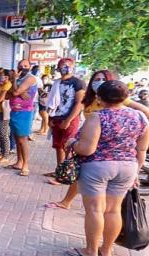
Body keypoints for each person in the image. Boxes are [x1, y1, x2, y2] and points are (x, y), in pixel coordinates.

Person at [65, 80, 149, 256]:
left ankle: (90, 251)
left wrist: (72, 144)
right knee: (113, 210)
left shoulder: (97, 117)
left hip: (98, 166)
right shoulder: (141, 117)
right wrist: (136, 170)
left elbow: (87, 149)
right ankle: (106, 250)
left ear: (99, 98)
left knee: (95, 209)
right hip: (127, 167)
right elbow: (141, 149)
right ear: (126, 97)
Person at [46, 70, 149, 210]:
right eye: (96, 79)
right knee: (110, 209)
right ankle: (67, 202)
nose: (98, 82)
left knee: (97, 209)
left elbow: (145, 113)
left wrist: (73, 143)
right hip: (103, 153)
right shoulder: (90, 98)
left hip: (102, 155)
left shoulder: (117, 100)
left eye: (102, 79)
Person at [47, 58, 85, 179]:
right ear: (58, 68)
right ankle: (60, 171)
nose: (65, 68)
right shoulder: (57, 82)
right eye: (62, 65)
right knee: (58, 146)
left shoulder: (78, 83)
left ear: (72, 67)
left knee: (67, 146)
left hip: (70, 119)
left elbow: (80, 103)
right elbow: (51, 102)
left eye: (68, 65)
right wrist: (49, 118)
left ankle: (66, 175)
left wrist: (68, 120)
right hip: (56, 118)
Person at [7, 60, 38, 176]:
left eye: (25, 66)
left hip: (24, 112)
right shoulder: (19, 78)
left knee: (22, 140)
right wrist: (19, 91)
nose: (22, 67)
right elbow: (9, 93)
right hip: (15, 111)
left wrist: (15, 85)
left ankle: (25, 165)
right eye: (20, 66)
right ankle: (19, 162)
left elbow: (14, 92)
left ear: (30, 67)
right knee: (17, 138)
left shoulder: (30, 78)